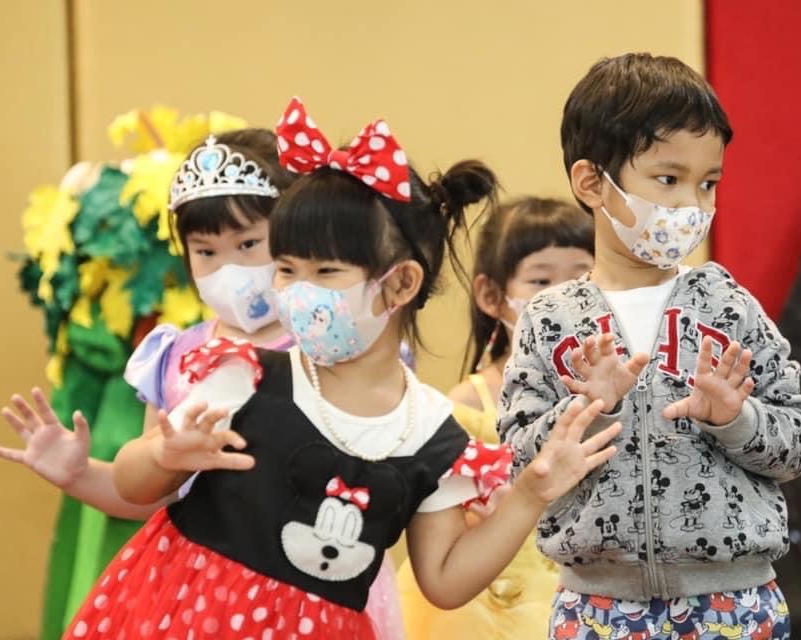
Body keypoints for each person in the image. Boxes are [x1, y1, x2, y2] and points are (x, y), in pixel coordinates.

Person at [60, 96, 622, 639]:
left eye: (326, 271)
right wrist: (163, 456)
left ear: (400, 283)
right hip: (183, 615)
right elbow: (135, 486)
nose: (297, 291)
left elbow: (445, 581)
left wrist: (529, 494)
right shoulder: (245, 375)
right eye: (286, 269)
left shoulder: (434, 435)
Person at [0, 128, 402, 638]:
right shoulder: (174, 356)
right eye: (205, 251)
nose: (228, 268)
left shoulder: (338, 350)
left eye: (248, 244)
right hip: (196, 598)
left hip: (311, 595)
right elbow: (150, 494)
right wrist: (81, 474)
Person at [498, 54, 801, 640]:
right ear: (591, 182)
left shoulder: (728, 305)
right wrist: (589, 410)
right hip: (596, 609)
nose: (692, 204)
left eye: (708, 183)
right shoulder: (548, 320)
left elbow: (797, 444)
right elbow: (521, 463)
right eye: (668, 180)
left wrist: (736, 418)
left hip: (735, 604)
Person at [396, 196, 594, 639]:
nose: (563, 298)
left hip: (587, 597)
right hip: (488, 608)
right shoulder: (467, 406)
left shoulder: (608, 394)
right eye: (540, 281)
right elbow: (445, 527)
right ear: (492, 296)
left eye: (582, 278)